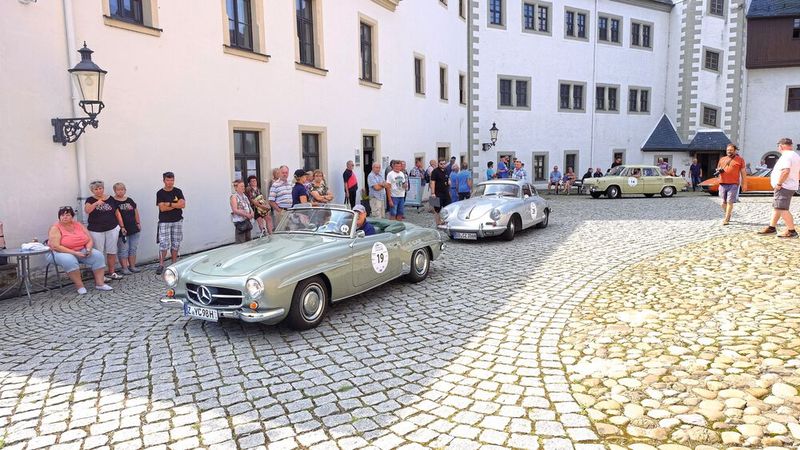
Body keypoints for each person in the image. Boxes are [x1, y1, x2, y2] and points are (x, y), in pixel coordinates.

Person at [47, 206, 112, 294]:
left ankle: (100, 283)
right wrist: (75, 253)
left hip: (80, 250)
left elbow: (89, 239)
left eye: (67, 215)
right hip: (58, 252)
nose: (64, 217)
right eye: (62, 215)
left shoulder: (78, 224)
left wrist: (88, 249)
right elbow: (56, 246)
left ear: (72, 216)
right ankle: (79, 286)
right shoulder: (55, 228)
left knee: (98, 255)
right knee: (69, 259)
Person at [758, 138, 800, 238]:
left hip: (783, 186)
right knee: (777, 207)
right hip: (789, 185)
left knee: (782, 208)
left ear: (781, 146)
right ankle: (771, 227)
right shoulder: (795, 155)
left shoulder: (786, 156)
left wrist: (779, 184)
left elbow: (785, 171)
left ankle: (791, 231)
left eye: (778, 146)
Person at [84, 180, 121, 281]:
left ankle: (112, 272)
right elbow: (87, 210)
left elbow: (117, 212)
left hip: (112, 228)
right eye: (96, 189)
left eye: (100, 188)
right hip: (96, 230)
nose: (99, 190)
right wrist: (96, 203)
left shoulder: (110, 198)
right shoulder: (90, 200)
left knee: (112, 250)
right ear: (92, 190)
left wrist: (121, 226)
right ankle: (100, 275)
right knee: (99, 253)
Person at [156, 171, 186, 275]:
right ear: (164, 180)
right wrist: (175, 205)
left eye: (172, 180)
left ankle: (174, 263)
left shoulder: (178, 191)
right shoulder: (160, 193)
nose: (170, 182)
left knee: (176, 242)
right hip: (164, 221)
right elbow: (162, 208)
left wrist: (168, 203)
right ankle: (161, 264)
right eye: (168, 180)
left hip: (177, 220)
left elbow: (182, 205)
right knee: (164, 244)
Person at [112, 182, 141, 274]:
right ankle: (124, 268)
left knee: (133, 248)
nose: (120, 191)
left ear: (125, 190)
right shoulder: (113, 201)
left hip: (133, 227)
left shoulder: (129, 200)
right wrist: (121, 227)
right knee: (123, 249)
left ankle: (132, 266)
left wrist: (138, 222)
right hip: (122, 229)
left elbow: (135, 211)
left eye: (122, 189)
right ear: (115, 191)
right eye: (118, 190)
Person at [715, 143, 748, 225]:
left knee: (730, 201)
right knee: (723, 203)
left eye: (731, 150)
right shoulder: (722, 159)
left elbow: (743, 172)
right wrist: (718, 170)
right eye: (728, 150)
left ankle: (726, 219)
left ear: (735, 150)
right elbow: (717, 169)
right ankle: (728, 214)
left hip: (733, 183)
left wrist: (744, 184)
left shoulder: (740, 160)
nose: (729, 151)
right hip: (722, 183)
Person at [430, 160, 451, 225]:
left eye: (444, 164)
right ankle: (438, 222)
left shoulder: (446, 171)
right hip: (437, 193)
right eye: (441, 164)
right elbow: (432, 182)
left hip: (446, 192)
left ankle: (445, 221)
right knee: (437, 209)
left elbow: (448, 179)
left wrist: (449, 182)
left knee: (448, 207)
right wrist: (433, 193)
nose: (443, 165)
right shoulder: (435, 171)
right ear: (438, 164)